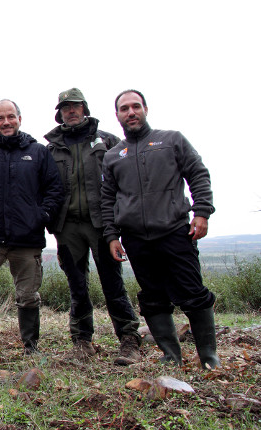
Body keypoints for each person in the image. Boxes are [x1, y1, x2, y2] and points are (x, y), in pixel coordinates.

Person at [101, 89, 221, 369]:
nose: (131, 112)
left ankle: (209, 357)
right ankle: (170, 356)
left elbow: (198, 173)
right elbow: (107, 198)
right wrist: (111, 235)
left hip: (175, 231)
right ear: (117, 115)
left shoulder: (171, 140)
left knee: (193, 293)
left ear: (145, 109)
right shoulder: (114, 155)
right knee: (153, 297)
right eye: (124, 109)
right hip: (136, 238)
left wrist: (202, 212)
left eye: (136, 106)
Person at [0, 99, 64, 358]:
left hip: (27, 239)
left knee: (28, 295)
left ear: (19, 118)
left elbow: (54, 189)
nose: (6, 122)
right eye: (0, 118)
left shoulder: (38, 152)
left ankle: (31, 347)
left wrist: (41, 216)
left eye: (10, 117)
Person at [45, 88, 141, 365]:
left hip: (102, 226)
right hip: (67, 227)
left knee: (113, 284)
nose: (71, 111)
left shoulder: (109, 141)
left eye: (75, 106)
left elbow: (125, 181)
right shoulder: (51, 148)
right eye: (65, 107)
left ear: (85, 108)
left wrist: (121, 221)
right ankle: (82, 342)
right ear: (60, 112)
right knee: (77, 286)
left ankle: (129, 340)